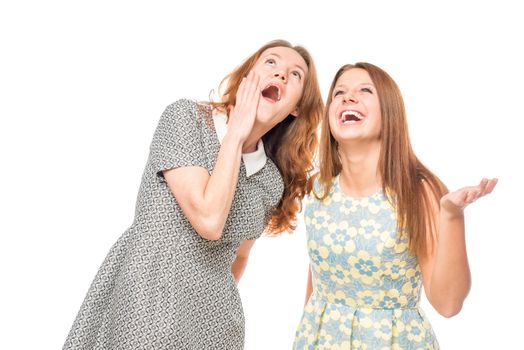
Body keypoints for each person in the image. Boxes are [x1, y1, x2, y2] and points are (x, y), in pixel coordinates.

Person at [63, 39, 323, 350]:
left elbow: (239, 256)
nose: (281, 74)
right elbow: (208, 219)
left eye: (295, 75)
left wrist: (203, 302)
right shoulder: (185, 119)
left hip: (214, 326)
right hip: (144, 304)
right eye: (271, 62)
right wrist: (236, 135)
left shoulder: (269, 180)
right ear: (245, 78)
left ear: (295, 107)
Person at [293, 63, 497, 349]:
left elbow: (448, 303)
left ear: (390, 113)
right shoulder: (318, 189)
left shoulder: (416, 191)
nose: (348, 97)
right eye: (339, 92)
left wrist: (452, 216)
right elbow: (318, 281)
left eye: (365, 90)